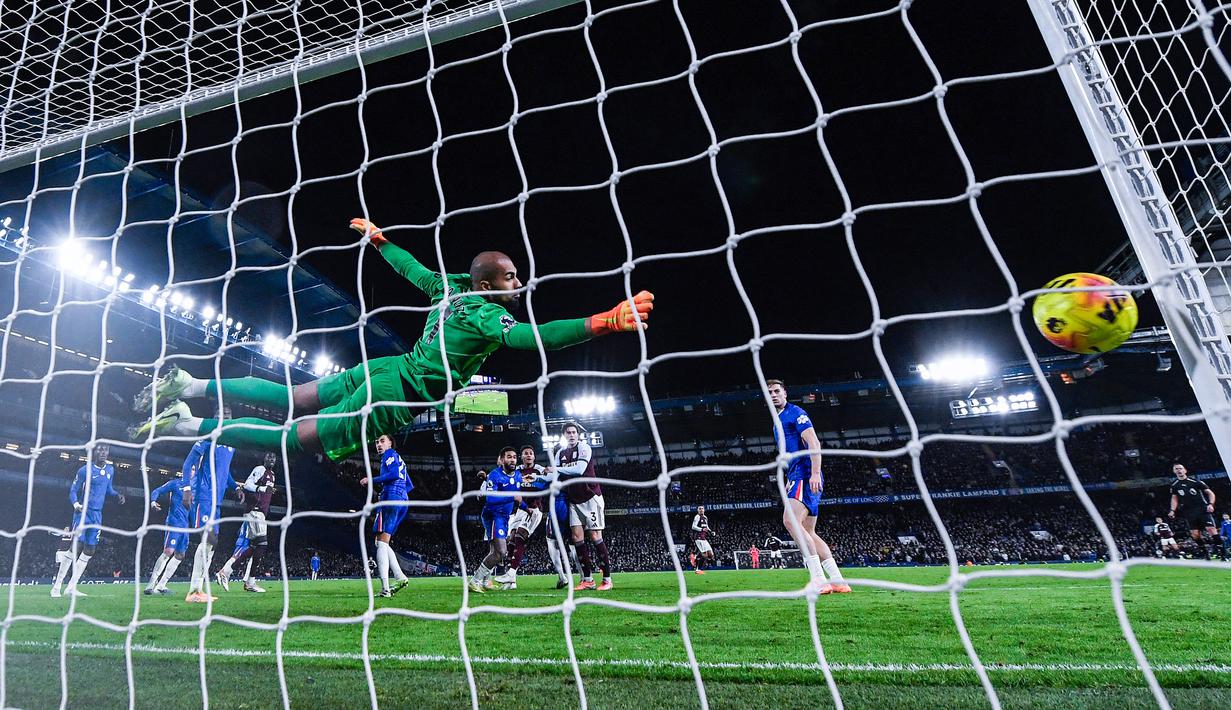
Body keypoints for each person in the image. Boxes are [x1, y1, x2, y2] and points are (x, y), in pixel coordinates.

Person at [131, 218, 654, 463]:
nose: (519, 284)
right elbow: (531, 340)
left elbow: (414, 270)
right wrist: (602, 322)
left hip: (386, 367)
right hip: (393, 396)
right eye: (512, 277)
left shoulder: (449, 287)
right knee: (298, 436)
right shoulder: (484, 315)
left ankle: (192, 382)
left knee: (294, 397)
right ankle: (188, 421)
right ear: (489, 284)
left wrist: (381, 242)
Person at [766, 379, 849, 593]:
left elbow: (813, 443)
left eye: (777, 391)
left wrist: (813, 473)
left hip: (805, 474)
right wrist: (788, 479)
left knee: (790, 520)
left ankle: (819, 580)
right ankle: (839, 581)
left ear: (785, 393)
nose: (773, 395)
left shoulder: (795, 413)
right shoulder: (778, 421)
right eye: (769, 393)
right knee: (809, 531)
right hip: (796, 475)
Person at [51, 444, 125, 598]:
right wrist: (76, 504)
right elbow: (73, 490)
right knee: (75, 547)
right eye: (100, 449)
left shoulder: (110, 470)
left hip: (97, 515)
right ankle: (56, 587)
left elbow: (108, 489)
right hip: (82, 514)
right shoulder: (85, 470)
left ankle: (71, 587)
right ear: (94, 452)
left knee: (90, 550)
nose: (103, 452)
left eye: (105, 450)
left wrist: (117, 495)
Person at [555, 422, 612, 591]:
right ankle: (587, 579)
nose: (571, 435)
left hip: (591, 498)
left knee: (595, 536)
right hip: (573, 500)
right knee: (576, 538)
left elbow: (579, 469)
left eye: (574, 432)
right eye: (568, 433)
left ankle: (607, 579)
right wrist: (537, 478)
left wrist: (556, 469)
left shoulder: (585, 447)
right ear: (564, 435)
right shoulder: (560, 453)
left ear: (578, 434)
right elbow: (554, 475)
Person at [182, 434, 239, 602]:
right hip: (205, 496)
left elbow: (225, 470)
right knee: (208, 539)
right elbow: (188, 463)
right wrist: (186, 488)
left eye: (229, 411)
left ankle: (197, 590)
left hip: (218, 500)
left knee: (212, 543)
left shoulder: (232, 443)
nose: (225, 413)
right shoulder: (207, 438)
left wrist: (235, 487)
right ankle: (193, 591)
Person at [360, 434, 413, 597]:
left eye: (382, 441)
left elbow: (394, 474)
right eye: (376, 442)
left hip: (391, 497)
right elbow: (409, 485)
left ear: (390, 443)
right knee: (381, 541)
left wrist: (372, 480)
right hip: (402, 499)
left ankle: (385, 589)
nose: (378, 444)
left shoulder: (390, 454)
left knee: (381, 543)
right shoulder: (399, 458)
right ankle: (399, 576)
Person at [217, 452, 278, 593]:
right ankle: (244, 579)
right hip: (254, 511)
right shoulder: (259, 469)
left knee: (255, 547)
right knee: (262, 545)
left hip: (261, 513)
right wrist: (261, 489)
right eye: (269, 457)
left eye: (274, 458)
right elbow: (247, 484)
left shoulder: (272, 475)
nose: (271, 460)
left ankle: (228, 572)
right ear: (264, 459)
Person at [493, 445, 547, 590]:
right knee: (510, 539)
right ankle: (512, 582)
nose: (529, 455)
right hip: (520, 510)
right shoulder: (517, 471)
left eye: (531, 453)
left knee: (520, 537)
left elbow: (549, 481)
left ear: (534, 456)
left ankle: (511, 573)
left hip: (534, 508)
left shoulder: (540, 470)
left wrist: (548, 474)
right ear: (521, 457)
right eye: (525, 454)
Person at [469, 447, 521, 593]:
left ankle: (485, 581)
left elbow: (517, 497)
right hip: (493, 516)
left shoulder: (517, 475)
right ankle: (475, 581)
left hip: (504, 517)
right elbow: (490, 499)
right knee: (501, 552)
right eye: (509, 457)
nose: (512, 459)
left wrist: (526, 508)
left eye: (514, 457)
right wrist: (512, 497)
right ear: (502, 459)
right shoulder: (494, 475)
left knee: (494, 551)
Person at [145, 472, 189, 595]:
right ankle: (150, 585)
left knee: (180, 555)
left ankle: (161, 586)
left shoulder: (196, 486)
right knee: (168, 552)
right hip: (174, 522)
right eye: (189, 468)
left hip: (186, 525)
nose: (191, 471)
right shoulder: (175, 484)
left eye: (194, 469)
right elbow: (157, 491)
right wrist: (153, 502)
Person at [1168, 463, 1218, 559]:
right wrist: (1172, 510)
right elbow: (1174, 498)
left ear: (1185, 470)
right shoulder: (1174, 485)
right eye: (1176, 469)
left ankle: (1223, 552)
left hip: (1202, 509)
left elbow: (1210, 493)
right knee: (1195, 534)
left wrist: (1211, 504)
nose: (1179, 470)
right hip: (1189, 512)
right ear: (1174, 471)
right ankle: (1205, 553)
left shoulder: (1195, 481)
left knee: (1211, 529)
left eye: (1180, 468)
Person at [690, 505, 714, 575]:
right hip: (698, 538)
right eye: (699, 509)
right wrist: (701, 529)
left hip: (704, 538)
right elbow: (693, 526)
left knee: (711, 555)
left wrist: (711, 531)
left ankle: (695, 556)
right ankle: (698, 569)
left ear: (704, 510)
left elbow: (707, 527)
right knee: (704, 555)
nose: (701, 510)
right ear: (697, 510)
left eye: (702, 508)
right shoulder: (697, 517)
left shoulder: (705, 517)